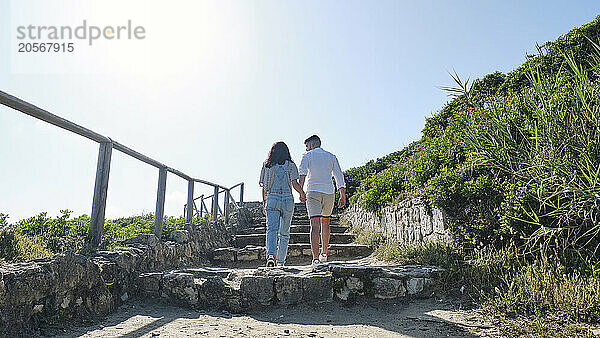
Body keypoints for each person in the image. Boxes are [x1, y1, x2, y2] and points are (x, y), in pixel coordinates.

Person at [298, 135, 346, 268]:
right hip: (329, 192)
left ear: (312, 145)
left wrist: (301, 192)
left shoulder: (307, 156)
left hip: (313, 191)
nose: (306, 149)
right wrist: (342, 194)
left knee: (314, 225)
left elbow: (302, 174)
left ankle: (315, 259)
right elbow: (338, 175)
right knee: (326, 222)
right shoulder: (331, 156)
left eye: (307, 146)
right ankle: (324, 253)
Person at [259, 141, 306, 267]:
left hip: (272, 199)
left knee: (271, 230)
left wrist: (264, 203)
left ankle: (270, 255)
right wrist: (302, 194)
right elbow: (295, 183)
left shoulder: (267, 165)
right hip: (287, 200)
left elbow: (264, 187)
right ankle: (280, 262)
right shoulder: (291, 165)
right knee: (284, 233)